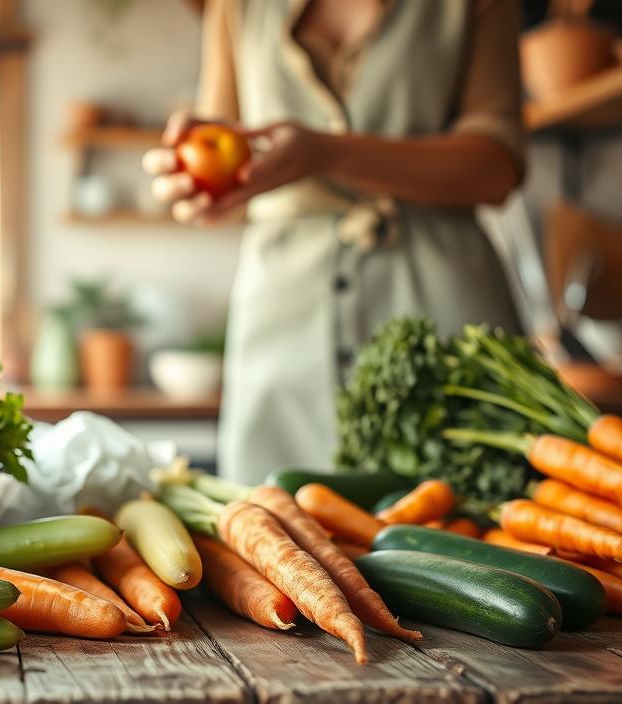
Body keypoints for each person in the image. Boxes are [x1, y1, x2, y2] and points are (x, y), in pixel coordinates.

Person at [144, 0, 525, 484]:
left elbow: (496, 168)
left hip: (442, 306)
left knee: (474, 508)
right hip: (283, 322)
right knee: (273, 516)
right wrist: (189, 186)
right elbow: (225, 165)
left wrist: (327, 154)